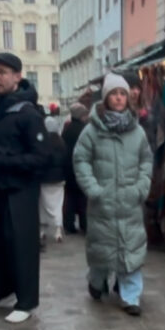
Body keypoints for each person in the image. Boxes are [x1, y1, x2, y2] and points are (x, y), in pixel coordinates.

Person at [73, 72, 153, 316]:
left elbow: (146, 161)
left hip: (130, 203)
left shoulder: (137, 132)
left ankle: (131, 297)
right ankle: (96, 282)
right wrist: (93, 189)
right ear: (106, 98)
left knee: (131, 250)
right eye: (114, 94)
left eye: (122, 94)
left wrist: (141, 187)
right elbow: (81, 159)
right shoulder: (92, 131)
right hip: (103, 204)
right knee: (102, 251)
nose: (119, 98)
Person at [0, 52, 49, 324]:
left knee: (22, 246)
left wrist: (5, 162)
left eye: (3, 72)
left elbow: (42, 156)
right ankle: (3, 292)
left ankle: (27, 301)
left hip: (20, 192)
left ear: (17, 77)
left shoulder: (27, 113)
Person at [39, 115, 67, 244]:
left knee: (43, 205)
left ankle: (42, 231)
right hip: (59, 180)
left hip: (44, 180)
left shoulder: (42, 143)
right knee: (57, 205)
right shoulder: (61, 143)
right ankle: (58, 231)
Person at [62, 103, 89, 234]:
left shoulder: (66, 130)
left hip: (68, 168)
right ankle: (84, 224)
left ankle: (69, 224)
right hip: (81, 167)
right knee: (83, 198)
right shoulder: (84, 130)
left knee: (70, 197)